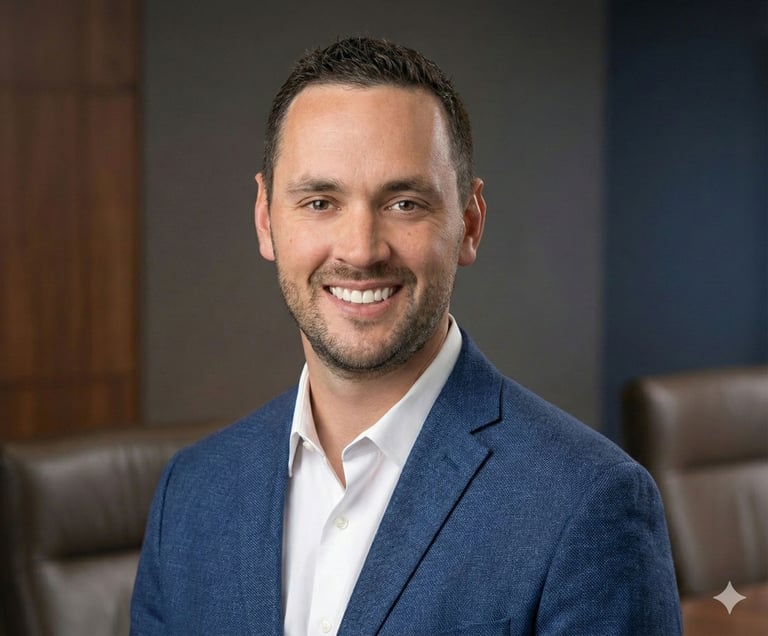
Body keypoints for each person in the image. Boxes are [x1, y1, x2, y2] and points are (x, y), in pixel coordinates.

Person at [131, 37, 681, 635]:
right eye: (319, 201)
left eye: (404, 202)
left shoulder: (588, 504)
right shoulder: (190, 494)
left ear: (469, 224)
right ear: (266, 219)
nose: (360, 250)